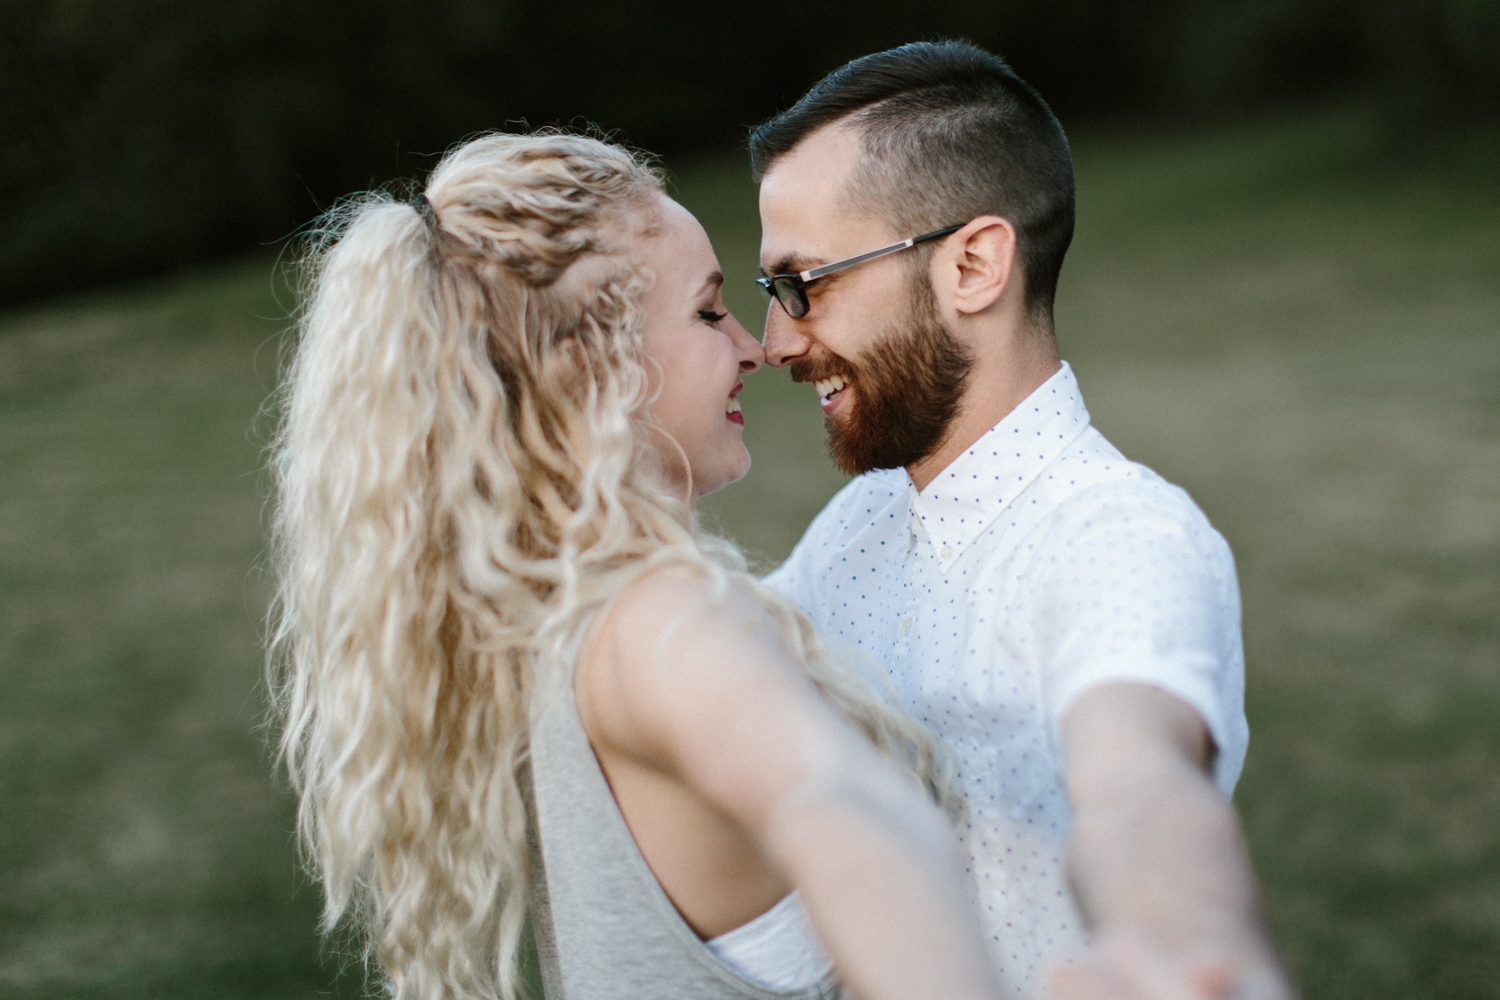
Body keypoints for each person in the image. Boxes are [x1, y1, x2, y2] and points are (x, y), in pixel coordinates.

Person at [267, 131, 1012, 1000]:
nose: (753, 346)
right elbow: (843, 815)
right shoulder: (663, 621)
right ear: (586, 370)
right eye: (705, 311)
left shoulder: (539, 629)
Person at [751, 42, 1295, 1000]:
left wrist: (1191, 948)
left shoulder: (1120, 537)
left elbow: (1136, 788)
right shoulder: (856, 526)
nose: (779, 342)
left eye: (806, 284)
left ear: (973, 264)